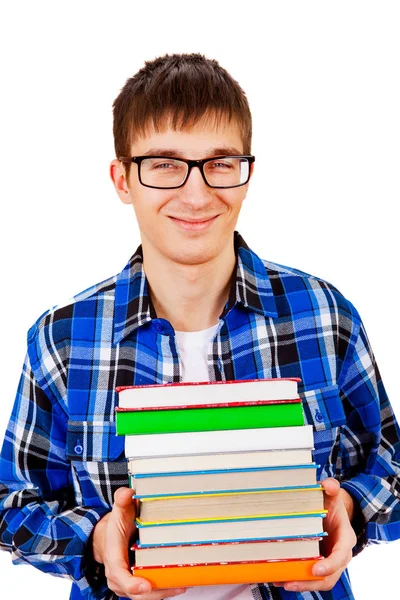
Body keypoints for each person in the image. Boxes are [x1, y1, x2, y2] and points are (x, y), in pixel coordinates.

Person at [0, 53, 399, 600]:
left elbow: (391, 466)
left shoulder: (324, 316)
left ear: (246, 172)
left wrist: (348, 507)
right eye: (165, 164)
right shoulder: (62, 339)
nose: (196, 193)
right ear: (123, 178)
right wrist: (95, 541)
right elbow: (11, 503)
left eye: (220, 162)